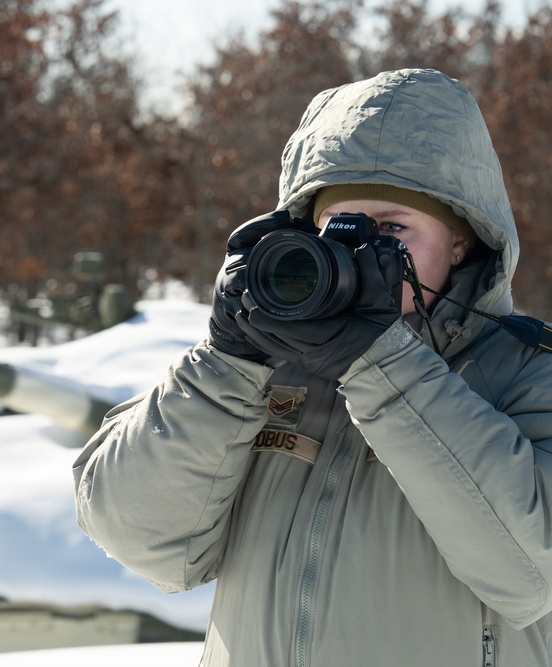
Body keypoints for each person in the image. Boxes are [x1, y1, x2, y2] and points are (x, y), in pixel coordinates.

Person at [72, 68, 552, 666]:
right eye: (338, 230)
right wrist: (226, 361)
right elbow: (139, 538)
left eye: (392, 231)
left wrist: (383, 367)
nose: (360, 253)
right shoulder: (270, 368)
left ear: (462, 243)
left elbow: (532, 572)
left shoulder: (528, 374)